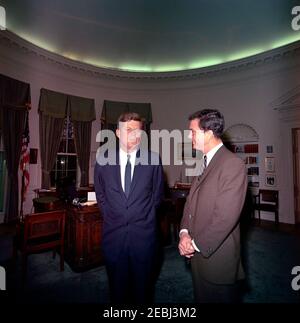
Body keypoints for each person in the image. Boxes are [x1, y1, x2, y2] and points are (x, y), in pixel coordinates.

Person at [178, 109, 248, 303]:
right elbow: (190, 204)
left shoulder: (232, 164)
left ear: (208, 133)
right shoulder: (207, 162)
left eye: (193, 131)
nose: (189, 136)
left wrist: (193, 245)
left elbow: (224, 219)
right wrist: (184, 232)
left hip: (217, 261)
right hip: (199, 257)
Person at [94, 112, 164, 303]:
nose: (134, 135)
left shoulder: (153, 160)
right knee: (117, 293)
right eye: (129, 130)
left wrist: (142, 216)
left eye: (138, 131)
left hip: (144, 239)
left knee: (143, 292)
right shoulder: (102, 160)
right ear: (117, 133)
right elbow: (100, 194)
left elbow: (157, 197)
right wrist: (111, 214)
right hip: (113, 237)